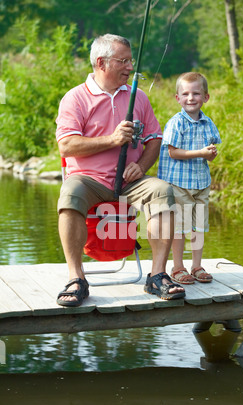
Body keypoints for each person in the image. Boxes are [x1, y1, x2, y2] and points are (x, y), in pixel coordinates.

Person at [55, 33, 185, 306]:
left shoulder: (137, 98)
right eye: (123, 61)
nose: (130, 67)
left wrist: (141, 165)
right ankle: (76, 278)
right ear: (101, 63)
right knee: (70, 195)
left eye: (130, 61)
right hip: (89, 180)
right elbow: (67, 145)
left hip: (130, 180)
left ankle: (158, 275)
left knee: (162, 191)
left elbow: (154, 139)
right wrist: (113, 140)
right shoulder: (75, 98)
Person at [157, 72, 221, 284]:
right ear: (178, 98)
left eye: (196, 93)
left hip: (200, 182)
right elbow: (173, 152)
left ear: (206, 97)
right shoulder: (176, 123)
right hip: (179, 184)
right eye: (185, 94)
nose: (191, 98)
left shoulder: (208, 123)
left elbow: (209, 153)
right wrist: (201, 153)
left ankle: (197, 266)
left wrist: (210, 155)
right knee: (180, 227)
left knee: (198, 226)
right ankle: (177, 267)